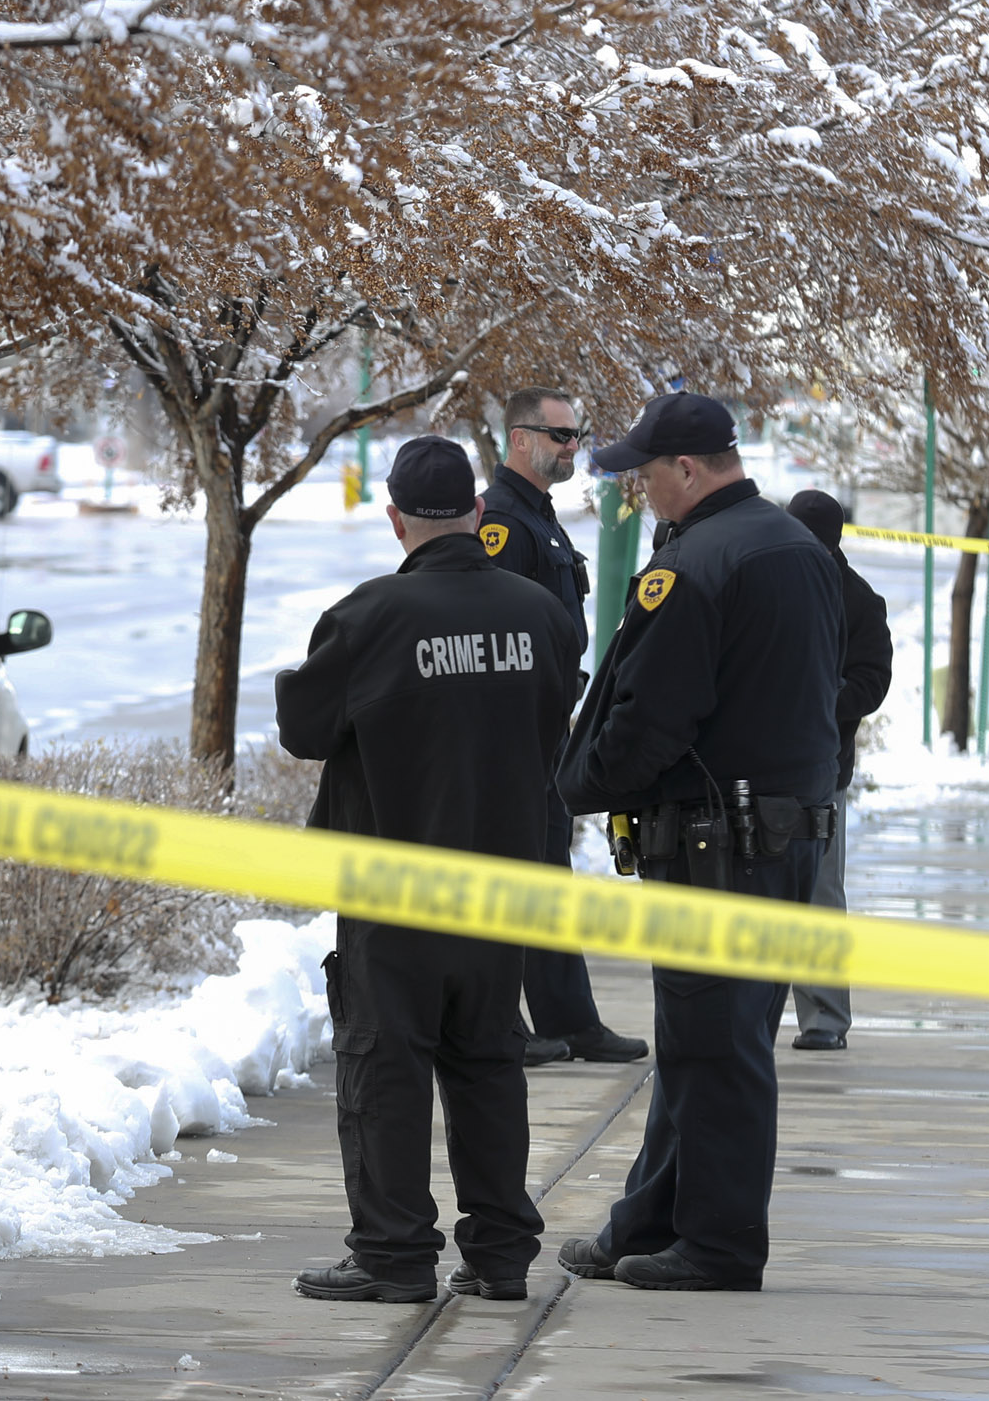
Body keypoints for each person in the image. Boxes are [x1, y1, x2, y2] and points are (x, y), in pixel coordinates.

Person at [552, 392, 843, 1293]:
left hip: (719, 846)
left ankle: (718, 1245)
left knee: (717, 1051)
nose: (640, 490)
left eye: (645, 474)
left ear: (688, 469)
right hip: (781, 835)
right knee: (704, 1041)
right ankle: (650, 1218)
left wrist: (578, 784)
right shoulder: (796, 547)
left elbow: (649, 719)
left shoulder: (696, 565)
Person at [276, 435, 577, 1304]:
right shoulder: (540, 615)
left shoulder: (367, 618)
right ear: (479, 516)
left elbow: (304, 726)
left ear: (395, 518)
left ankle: (394, 1253)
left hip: (394, 892)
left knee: (386, 1067)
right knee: (488, 1064)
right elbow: (558, 712)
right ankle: (502, 1253)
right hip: (502, 886)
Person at [479, 386, 649, 1068]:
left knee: (548, 875)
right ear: (520, 439)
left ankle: (570, 1020)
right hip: (512, 734)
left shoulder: (539, 518)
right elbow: (492, 633)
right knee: (511, 877)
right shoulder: (501, 523)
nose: (572, 445)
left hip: (547, 729)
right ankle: (499, 1024)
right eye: (560, 435)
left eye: (575, 434)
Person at [780, 491, 893, 1051]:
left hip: (822, 770)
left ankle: (824, 1019)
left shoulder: (858, 602)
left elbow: (872, 681)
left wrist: (821, 699)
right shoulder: (766, 584)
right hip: (756, 768)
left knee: (819, 893)